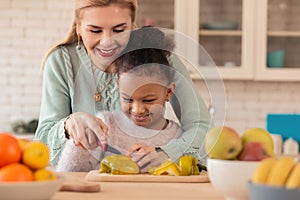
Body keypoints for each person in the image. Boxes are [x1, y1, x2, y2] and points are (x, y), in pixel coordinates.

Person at [35, 0, 210, 167]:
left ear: (133, 26)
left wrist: (168, 153)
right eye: (95, 31)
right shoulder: (61, 60)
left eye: (119, 30)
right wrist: (68, 125)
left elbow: (202, 126)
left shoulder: (159, 57)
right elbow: (42, 144)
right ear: (78, 28)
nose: (107, 41)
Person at [57, 27, 183, 172]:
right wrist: (81, 144)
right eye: (127, 99)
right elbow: (68, 172)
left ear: (168, 92)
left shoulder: (177, 137)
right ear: (118, 86)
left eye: (148, 100)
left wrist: (164, 158)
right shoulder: (105, 125)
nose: (137, 110)